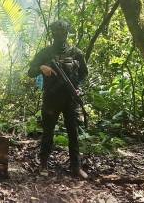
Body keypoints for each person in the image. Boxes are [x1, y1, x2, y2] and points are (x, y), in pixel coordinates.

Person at [27, 20, 89, 179]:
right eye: (57, 33)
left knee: (73, 133)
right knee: (48, 133)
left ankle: (76, 167)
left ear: (67, 33)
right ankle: (43, 164)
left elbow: (83, 74)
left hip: (70, 99)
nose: (60, 36)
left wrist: (79, 88)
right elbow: (30, 71)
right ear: (52, 33)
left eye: (63, 33)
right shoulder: (45, 53)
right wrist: (41, 67)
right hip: (51, 99)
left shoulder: (76, 53)